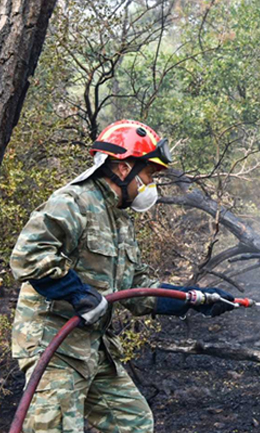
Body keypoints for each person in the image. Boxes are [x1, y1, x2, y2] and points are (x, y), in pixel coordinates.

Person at [10, 120, 236, 432]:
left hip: (94, 346)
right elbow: (28, 255)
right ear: (121, 168)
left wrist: (193, 299)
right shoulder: (75, 201)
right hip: (54, 345)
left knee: (133, 422)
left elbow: (136, 287)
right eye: (148, 174)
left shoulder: (120, 219)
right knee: (56, 427)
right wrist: (77, 293)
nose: (150, 184)